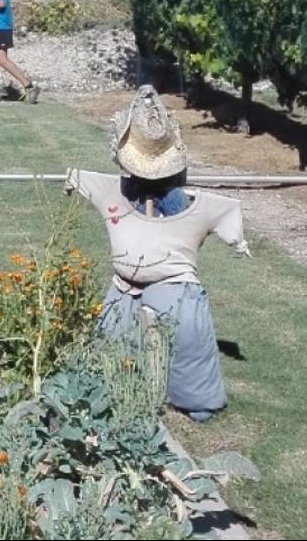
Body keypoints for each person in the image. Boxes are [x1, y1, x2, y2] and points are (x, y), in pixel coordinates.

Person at [66, 86, 250, 422]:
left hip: (174, 282)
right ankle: (127, 389)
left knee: (188, 339)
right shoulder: (116, 191)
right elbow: (80, 179)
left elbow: (225, 216)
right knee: (114, 344)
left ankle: (193, 400)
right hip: (126, 282)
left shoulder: (183, 202)